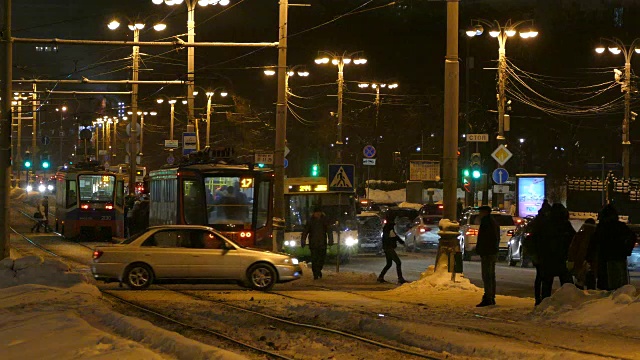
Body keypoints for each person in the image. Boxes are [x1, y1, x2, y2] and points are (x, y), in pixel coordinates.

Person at [590, 204, 636, 290]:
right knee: (620, 287)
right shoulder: (620, 227)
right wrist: (627, 250)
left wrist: (590, 257)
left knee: (606, 288)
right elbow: (632, 237)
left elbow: (594, 243)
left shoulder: (602, 227)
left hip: (605, 260)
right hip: (619, 258)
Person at [537, 203, 575, 302]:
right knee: (567, 283)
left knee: (547, 283)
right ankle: (569, 301)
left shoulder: (546, 224)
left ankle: (544, 302)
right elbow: (573, 239)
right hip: (562, 258)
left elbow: (539, 240)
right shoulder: (565, 225)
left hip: (548, 258)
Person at [475, 206, 500, 307]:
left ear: (485, 212)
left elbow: (484, 238)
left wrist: (481, 249)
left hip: (487, 252)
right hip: (492, 251)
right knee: (491, 275)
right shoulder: (493, 222)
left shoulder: (486, 222)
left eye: (481, 212)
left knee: (487, 275)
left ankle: (488, 297)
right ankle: (491, 296)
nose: (479, 214)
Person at [528, 200, 552, 305]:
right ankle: (544, 297)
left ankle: (538, 298)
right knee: (545, 277)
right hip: (546, 253)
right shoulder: (548, 222)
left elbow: (530, 238)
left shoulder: (537, 221)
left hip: (539, 253)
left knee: (539, 277)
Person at [301, 206, 334, 279]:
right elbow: (305, 231)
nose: (318, 214)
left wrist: (330, 240)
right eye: (317, 213)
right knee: (314, 259)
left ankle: (318, 270)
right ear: (314, 213)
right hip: (313, 244)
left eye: (319, 212)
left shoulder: (324, 220)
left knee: (322, 259)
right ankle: (315, 274)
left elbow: (329, 231)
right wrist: (303, 241)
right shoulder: (310, 221)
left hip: (322, 243)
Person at [377, 213, 407, 284]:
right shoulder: (389, 227)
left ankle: (381, 277)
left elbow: (393, 236)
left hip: (387, 247)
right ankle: (400, 278)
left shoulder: (388, 227)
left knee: (389, 264)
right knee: (398, 262)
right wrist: (400, 242)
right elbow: (393, 237)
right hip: (389, 248)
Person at [567, 218, 597, 289]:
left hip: (580, 263)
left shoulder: (580, 235)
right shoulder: (597, 236)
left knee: (579, 283)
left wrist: (571, 260)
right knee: (591, 286)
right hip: (593, 264)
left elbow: (572, 249)